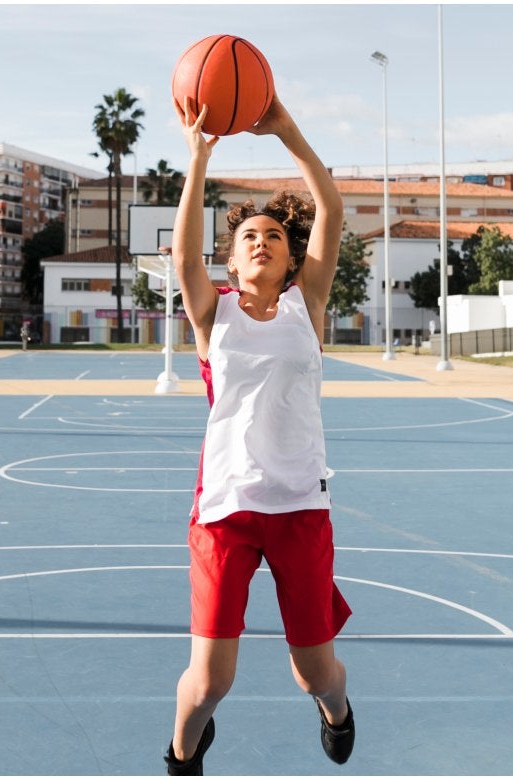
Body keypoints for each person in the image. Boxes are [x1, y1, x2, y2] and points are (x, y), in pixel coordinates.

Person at [163, 95, 354, 776]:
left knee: (315, 673)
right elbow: (182, 254)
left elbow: (331, 210)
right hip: (226, 509)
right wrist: (197, 158)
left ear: (291, 255)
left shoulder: (309, 304)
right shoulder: (212, 315)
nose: (262, 241)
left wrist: (287, 132)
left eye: (274, 235)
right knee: (210, 683)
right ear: (232, 263)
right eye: (249, 237)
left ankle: (337, 710)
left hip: (301, 505)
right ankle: (182, 754)